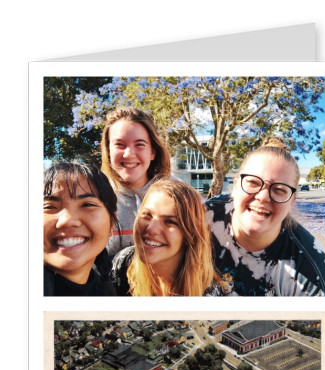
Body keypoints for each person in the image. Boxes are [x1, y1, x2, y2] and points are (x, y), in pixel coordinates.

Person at [206, 137, 325, 296]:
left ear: (292, 201)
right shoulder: (202, 216)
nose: (263, 197)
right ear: (235, 186)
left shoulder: (311, 275)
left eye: (279, 189)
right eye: (253, 183)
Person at [111, 180, 223, 296]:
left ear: (190, 234)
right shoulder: (122, 264)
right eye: (147, 215)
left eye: (170, 222)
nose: (151, 229)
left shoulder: (208, 293)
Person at [101, 106, 171, 257]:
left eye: (139, 144)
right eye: (119, 144)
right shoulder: (96, 200)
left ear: (152, 152)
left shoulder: (176, 197)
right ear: (108, 151)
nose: (129, 154)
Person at [44, 158, 119, 296]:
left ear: (112, 224)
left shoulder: (106, 291)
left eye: (87, 205)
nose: (67, 220)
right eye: (49, 207)